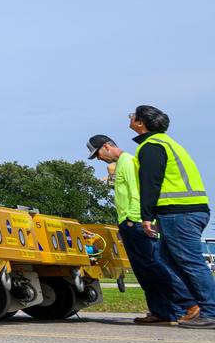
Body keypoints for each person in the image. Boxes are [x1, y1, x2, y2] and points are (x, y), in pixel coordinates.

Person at [128, 105, 215, 329]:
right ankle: (195, 306)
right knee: (168, 260)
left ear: (141, 123)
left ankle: (211, 310)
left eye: (133, 115)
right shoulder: (169, 143)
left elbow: (151, 183)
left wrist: (146, 216)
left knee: (190, 262)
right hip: (187, 210)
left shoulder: (152, 146)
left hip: (179, 212)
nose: (130, 118)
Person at [90, 135, 186, 324]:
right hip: (127, 222)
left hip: (134, 221)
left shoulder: (127, 161)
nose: (99, 158)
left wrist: (136, 219)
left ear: (107, 146)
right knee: (144, 270)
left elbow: (136, 192)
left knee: (155, 266)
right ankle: (160, 311)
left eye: (97, 154)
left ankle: (184, 306)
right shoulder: (121, 164)